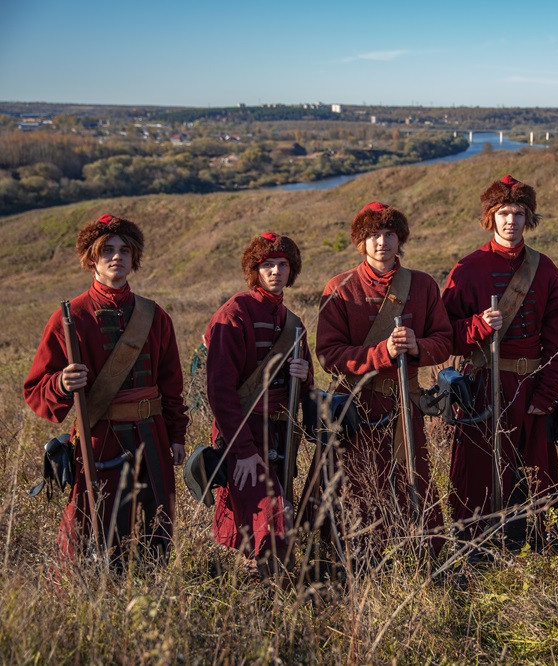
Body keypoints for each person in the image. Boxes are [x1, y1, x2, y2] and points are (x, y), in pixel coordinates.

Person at [24, 213, 188, 562]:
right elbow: (36, 388)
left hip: (151, 434)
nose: (117, 257)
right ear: (91, 259)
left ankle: (150, 585)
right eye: (107, 250)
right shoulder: (71, 317)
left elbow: (172, 384)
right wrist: (61, 382)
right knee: (92, 522)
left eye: (125, 250)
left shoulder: (154, 315)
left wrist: (176, 436)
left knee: (154, 522)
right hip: (99, 435)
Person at [308, 201, 451, 541]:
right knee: (352, 483)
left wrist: (417, 346)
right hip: (353, 405)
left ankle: (414, 551)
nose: (382, 242)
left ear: (400, 239)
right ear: (362, 242)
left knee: (409, 480)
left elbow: (445, 342)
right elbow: (329, 355)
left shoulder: (423, 285)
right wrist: (381, 352)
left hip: (404, 403)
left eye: (389, 234)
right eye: (373, 235)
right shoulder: (340, 288)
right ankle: (351, 554)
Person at [442, 174, 558, 547]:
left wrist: (548, 393)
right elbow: (444, 333)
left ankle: (528, 541)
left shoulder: (544, 269)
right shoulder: (467, 269)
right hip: (483, 385)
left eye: (518, 212)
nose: (511, 220)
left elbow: (557, 338)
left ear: (527, 217)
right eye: (503, 213)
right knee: (479, 470)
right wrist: (478, 325)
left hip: (531, 386)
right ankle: (476, 545)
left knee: (531, 471)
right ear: (491, 218)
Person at [204, 231, 312, 575]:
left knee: (279, 509)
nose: (276, 272)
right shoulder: (234, 312)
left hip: (280, 431)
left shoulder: (292, 322)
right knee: (266, 513)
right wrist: (244, 450)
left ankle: (274, 585)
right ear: (256, 269)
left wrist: (304, 373)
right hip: (243, 431)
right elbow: (220, 392)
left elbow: (307, 386)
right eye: (268, 265)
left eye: (282, 265)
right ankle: (267, 586)